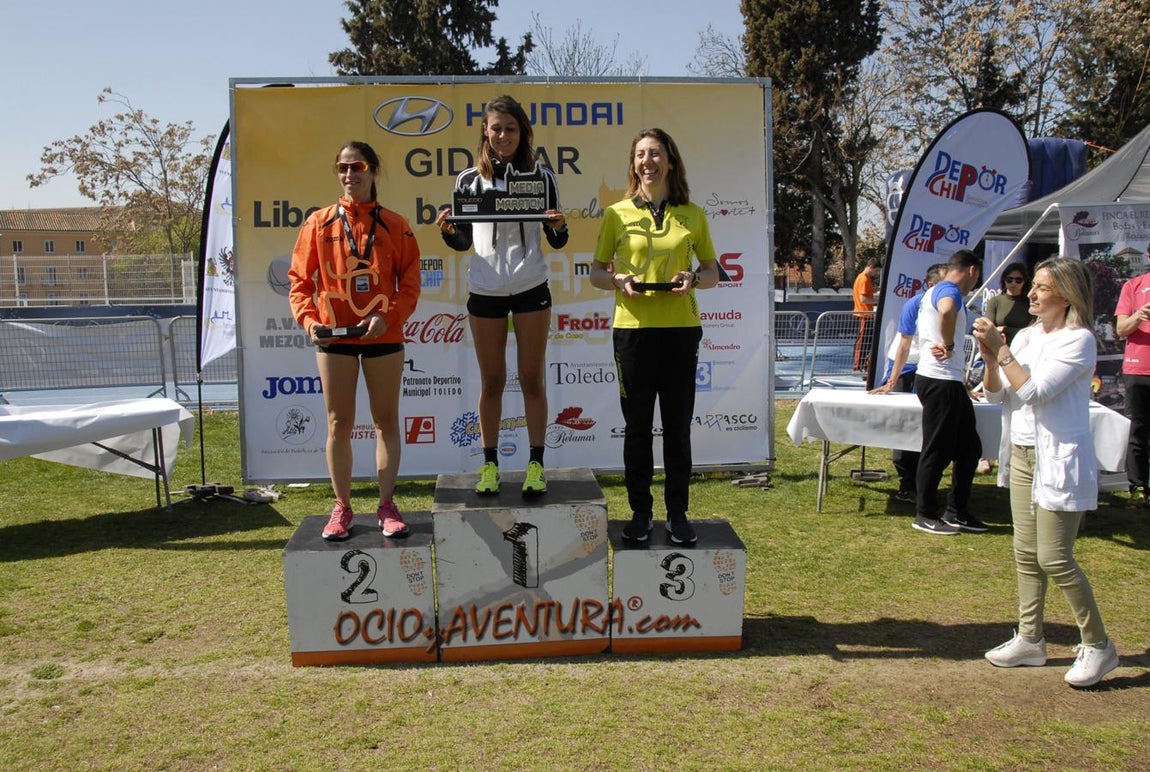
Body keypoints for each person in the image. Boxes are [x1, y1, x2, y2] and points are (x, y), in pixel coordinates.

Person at [974, 257, 1120, 688]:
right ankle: (1030, 638)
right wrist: (990, 357)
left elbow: (1036, 391)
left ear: (1066, 295)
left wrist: (1002, 351)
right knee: (1024, 553)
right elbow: (998, 393)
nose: (1031, 294)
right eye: (1032, 286)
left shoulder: (1079, 341)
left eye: (1040, 287)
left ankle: (1098, 644)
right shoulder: (1026, 335)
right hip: (1021, 453)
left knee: (1054, 557)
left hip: (1057, 457)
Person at [589, 128, 719, 545]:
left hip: (680, 332)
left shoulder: (693, 214)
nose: (648, 161)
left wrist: (694, 278)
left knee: (678, 428)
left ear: (671, 161)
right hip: (633, 334)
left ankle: (677, 514)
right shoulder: (616, 214)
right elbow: (595, 272)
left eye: (656, 154)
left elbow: (714, 272)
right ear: (633, 164)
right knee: (637, 428)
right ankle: (641, 512)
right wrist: (618, 280)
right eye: (641, 155)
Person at [289, 141, 422, 541]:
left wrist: (390, 316)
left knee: (385, 422)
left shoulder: (396, 224)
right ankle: (342, 508)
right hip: (334, 337)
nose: (350, 175)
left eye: (358, 166)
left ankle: (386, 504)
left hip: (383, 334)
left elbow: (411, 283)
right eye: (343, 168)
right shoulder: (318, 222)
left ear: (374, 171)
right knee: (338, 423)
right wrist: (309, 321)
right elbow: (299, 281)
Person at [436, 95, 568, 497]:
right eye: (496, 128)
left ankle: (536, 464)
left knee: (531, 379)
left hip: (531, 287)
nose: (503, 135)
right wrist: (447, 230)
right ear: (485, 132)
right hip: (485, 289)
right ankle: (490, 465)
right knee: (491, 381)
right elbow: (462, 243)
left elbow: (557, 239)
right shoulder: (467, 180)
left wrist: (560, 226)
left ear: (523, 132)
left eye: (511, 128)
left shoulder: (542, 176)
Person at [912, 248, 986, 535]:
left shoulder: (941, 290)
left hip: (949, 380)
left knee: (970, 448)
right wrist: (949, 344)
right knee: (937, 449)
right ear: (972, 271)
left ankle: (957, 511)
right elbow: (945, 310)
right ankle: (925, 513)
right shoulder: (949, 290)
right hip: (939, 379)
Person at [868, 262, 946, 502]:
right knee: (903, 425)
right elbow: (904, 343)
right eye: (946, 283)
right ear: (931, 285)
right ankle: (907, 484)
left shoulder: (952, 305)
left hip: (930, 370)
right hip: (906, 368)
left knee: (927, 426)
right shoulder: (915, 304)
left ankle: (922, 482)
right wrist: (892, 380)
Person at [1114, 259, 1150, 507]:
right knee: (1137, 430)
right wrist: (1139, 315)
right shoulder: (1133, 286)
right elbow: (1121, 329)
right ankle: (1137, 488)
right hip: (1138, 368)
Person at [985, 262, 1034, 344]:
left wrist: (1004, 329)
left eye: (1018, 280)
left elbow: (1030, 332)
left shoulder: (1030, 303)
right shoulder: (995, 301)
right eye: (1009, 280)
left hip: (1022, 346)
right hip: (998, 346)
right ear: (1004, 280)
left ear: (1024, 282)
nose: (1013, 283)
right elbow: (988, 328)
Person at [852, 258, 882, 372]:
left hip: (866, 314)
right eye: (876, 271)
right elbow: (863, 299)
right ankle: (858, 365)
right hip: (863, 314)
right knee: (862, 341)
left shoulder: (865, 278)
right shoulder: (863, 278)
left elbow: (868, 291)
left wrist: (878, 289)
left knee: (866, 340)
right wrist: (878, 301)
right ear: (871, 267)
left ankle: (862, 364)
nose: (877, 273)